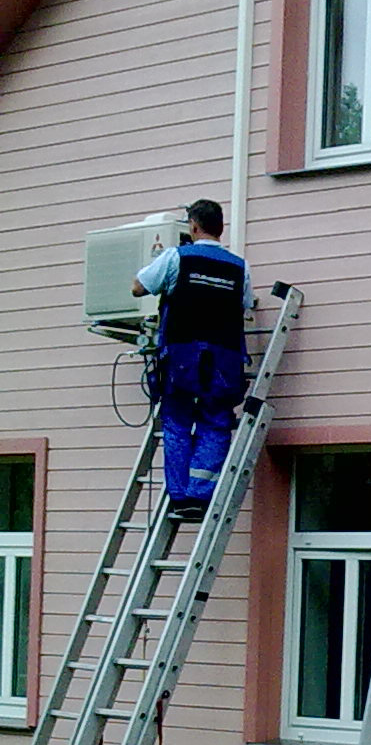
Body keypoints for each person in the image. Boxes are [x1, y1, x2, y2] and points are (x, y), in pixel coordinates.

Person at [130, 198, 251, 522]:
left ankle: (181, 496)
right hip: (224, 361)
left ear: (193, 226)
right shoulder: (240, 266)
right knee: (216, 424)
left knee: (178, 423)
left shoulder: (176, 257)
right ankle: (201, 493)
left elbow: (138, 287)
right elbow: (244, 304)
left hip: (182, 357)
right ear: (220, 228)